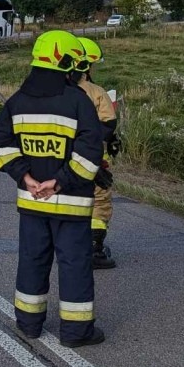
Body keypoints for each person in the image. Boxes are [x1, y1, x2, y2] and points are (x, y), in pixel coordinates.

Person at [0, 30, 106, 348]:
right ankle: (76, 332)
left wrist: (24, 177)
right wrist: (60, 181)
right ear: (66, 62)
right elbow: (91, 152)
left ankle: (28, 324)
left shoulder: (17, 101)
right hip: (70, 205)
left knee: (32, 260)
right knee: (74, 265)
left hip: (32, 202)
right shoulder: (78, 100)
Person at [72, 37, 120, 269]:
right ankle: (95, 250)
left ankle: (70, 246)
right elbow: (108, 124)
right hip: (94, 159)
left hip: (63, 160)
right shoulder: (96, 92)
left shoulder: (55, 92)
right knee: (99, 202)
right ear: (86, 65)